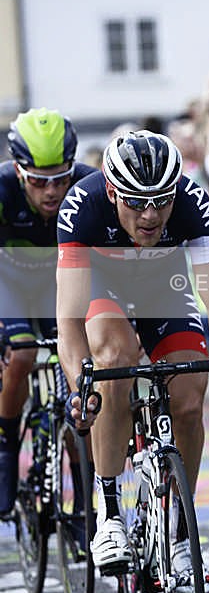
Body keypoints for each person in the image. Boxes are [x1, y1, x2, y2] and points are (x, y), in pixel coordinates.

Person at [56, 130, 209, 593]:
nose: (150, 215)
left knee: (189, 400)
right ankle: (109, 511)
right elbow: (69, 320)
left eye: (160, 202)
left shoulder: (194, 201)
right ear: (112, 192)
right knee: (113, 359)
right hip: (102, 288)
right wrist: (81, 387)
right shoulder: (82, 206)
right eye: (135, 202)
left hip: (164, 290)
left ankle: (177, 535)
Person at [0, 107, 94, 516]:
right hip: (10, 287)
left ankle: (86, 498)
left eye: (61, 177)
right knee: (20, 354)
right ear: (19, 173)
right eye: (39, 181)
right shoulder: (2, 189)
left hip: (62, 288)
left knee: (80, 386)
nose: (52, 191)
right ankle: (5, 446)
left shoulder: (91, 185)